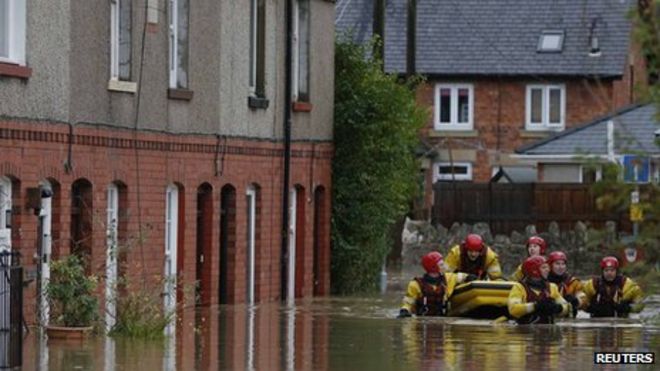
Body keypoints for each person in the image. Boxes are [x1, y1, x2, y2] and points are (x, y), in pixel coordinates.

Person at [399, 251, 467, 318]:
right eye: (441, 265)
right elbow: (408, 302)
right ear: (433, 267)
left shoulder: (448, 278)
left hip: (442, 317)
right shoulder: (415, 285)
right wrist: (405, 310)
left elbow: (462, 277)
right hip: (423, 318)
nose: (445, 267)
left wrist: (470, 277)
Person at [507, 256, 570, 324]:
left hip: (548, 331)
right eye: (543, 267)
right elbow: (513, 309)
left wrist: (558, 308)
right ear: (534, 270)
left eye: (548, 267)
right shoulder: (519, 287)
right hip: (526, 331)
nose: (548, 270)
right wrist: (535, 306)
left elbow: (567, 306)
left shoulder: (552, 287)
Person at [546, 251, 585, 317]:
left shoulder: (573, 282)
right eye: (557, 264)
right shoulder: (543, 282)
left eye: (563, 264)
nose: (561, 267)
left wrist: (577, 301)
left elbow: (584, 298)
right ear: (550, 265)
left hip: (568, 318)